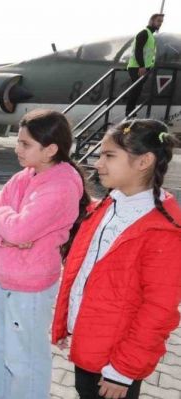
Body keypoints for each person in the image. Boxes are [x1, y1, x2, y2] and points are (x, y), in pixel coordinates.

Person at [52, 119, 181, 399]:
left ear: (144, 161)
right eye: (100, 155)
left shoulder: (163, 231)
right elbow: (81, 270)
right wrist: (66, 321)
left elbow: (159, 310)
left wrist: (123, 370)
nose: (98, 164)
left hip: (115, 365)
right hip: (89, 344)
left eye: (109, 156)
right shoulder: (107, 206)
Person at [0, 109, 89, 399]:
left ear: (50, 149)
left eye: (25, 144)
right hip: (5, 280)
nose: (17, 148)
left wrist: (7, 223)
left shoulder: (60, 185)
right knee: (2, 350)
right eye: (18, 141)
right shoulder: (25, 175)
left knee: (24, 360)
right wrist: (7, 235)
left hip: (30, 287)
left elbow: (16, 228)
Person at [126, 13, 164, 114]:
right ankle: (129, 112)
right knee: (136, 89)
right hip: (136, 67)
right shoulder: (144, 33)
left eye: (161, 21)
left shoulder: (151, 35)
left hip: (143, 67)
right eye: (158, 21)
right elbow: (138, 50)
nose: (160, 23)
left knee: (138, 90)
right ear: (151, 21)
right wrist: (142, 66)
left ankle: (131, 112)